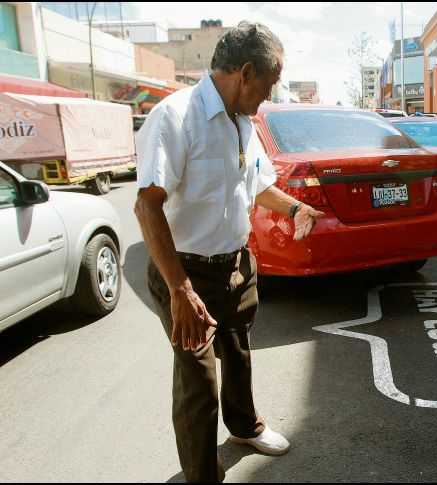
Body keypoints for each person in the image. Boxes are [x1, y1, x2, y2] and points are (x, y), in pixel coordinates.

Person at [134, 22, 324, 483]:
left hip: (236, 265)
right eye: (270, 81)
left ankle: (244, 427)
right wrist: (180, 288)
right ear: (245, 72)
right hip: (186, 273)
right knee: (199, 383)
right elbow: (147, 205)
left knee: (238, 352)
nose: (270, 93)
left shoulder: (243, 121)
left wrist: (297, 206)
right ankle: (203, 476)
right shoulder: (176, 116)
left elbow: (257, 185)